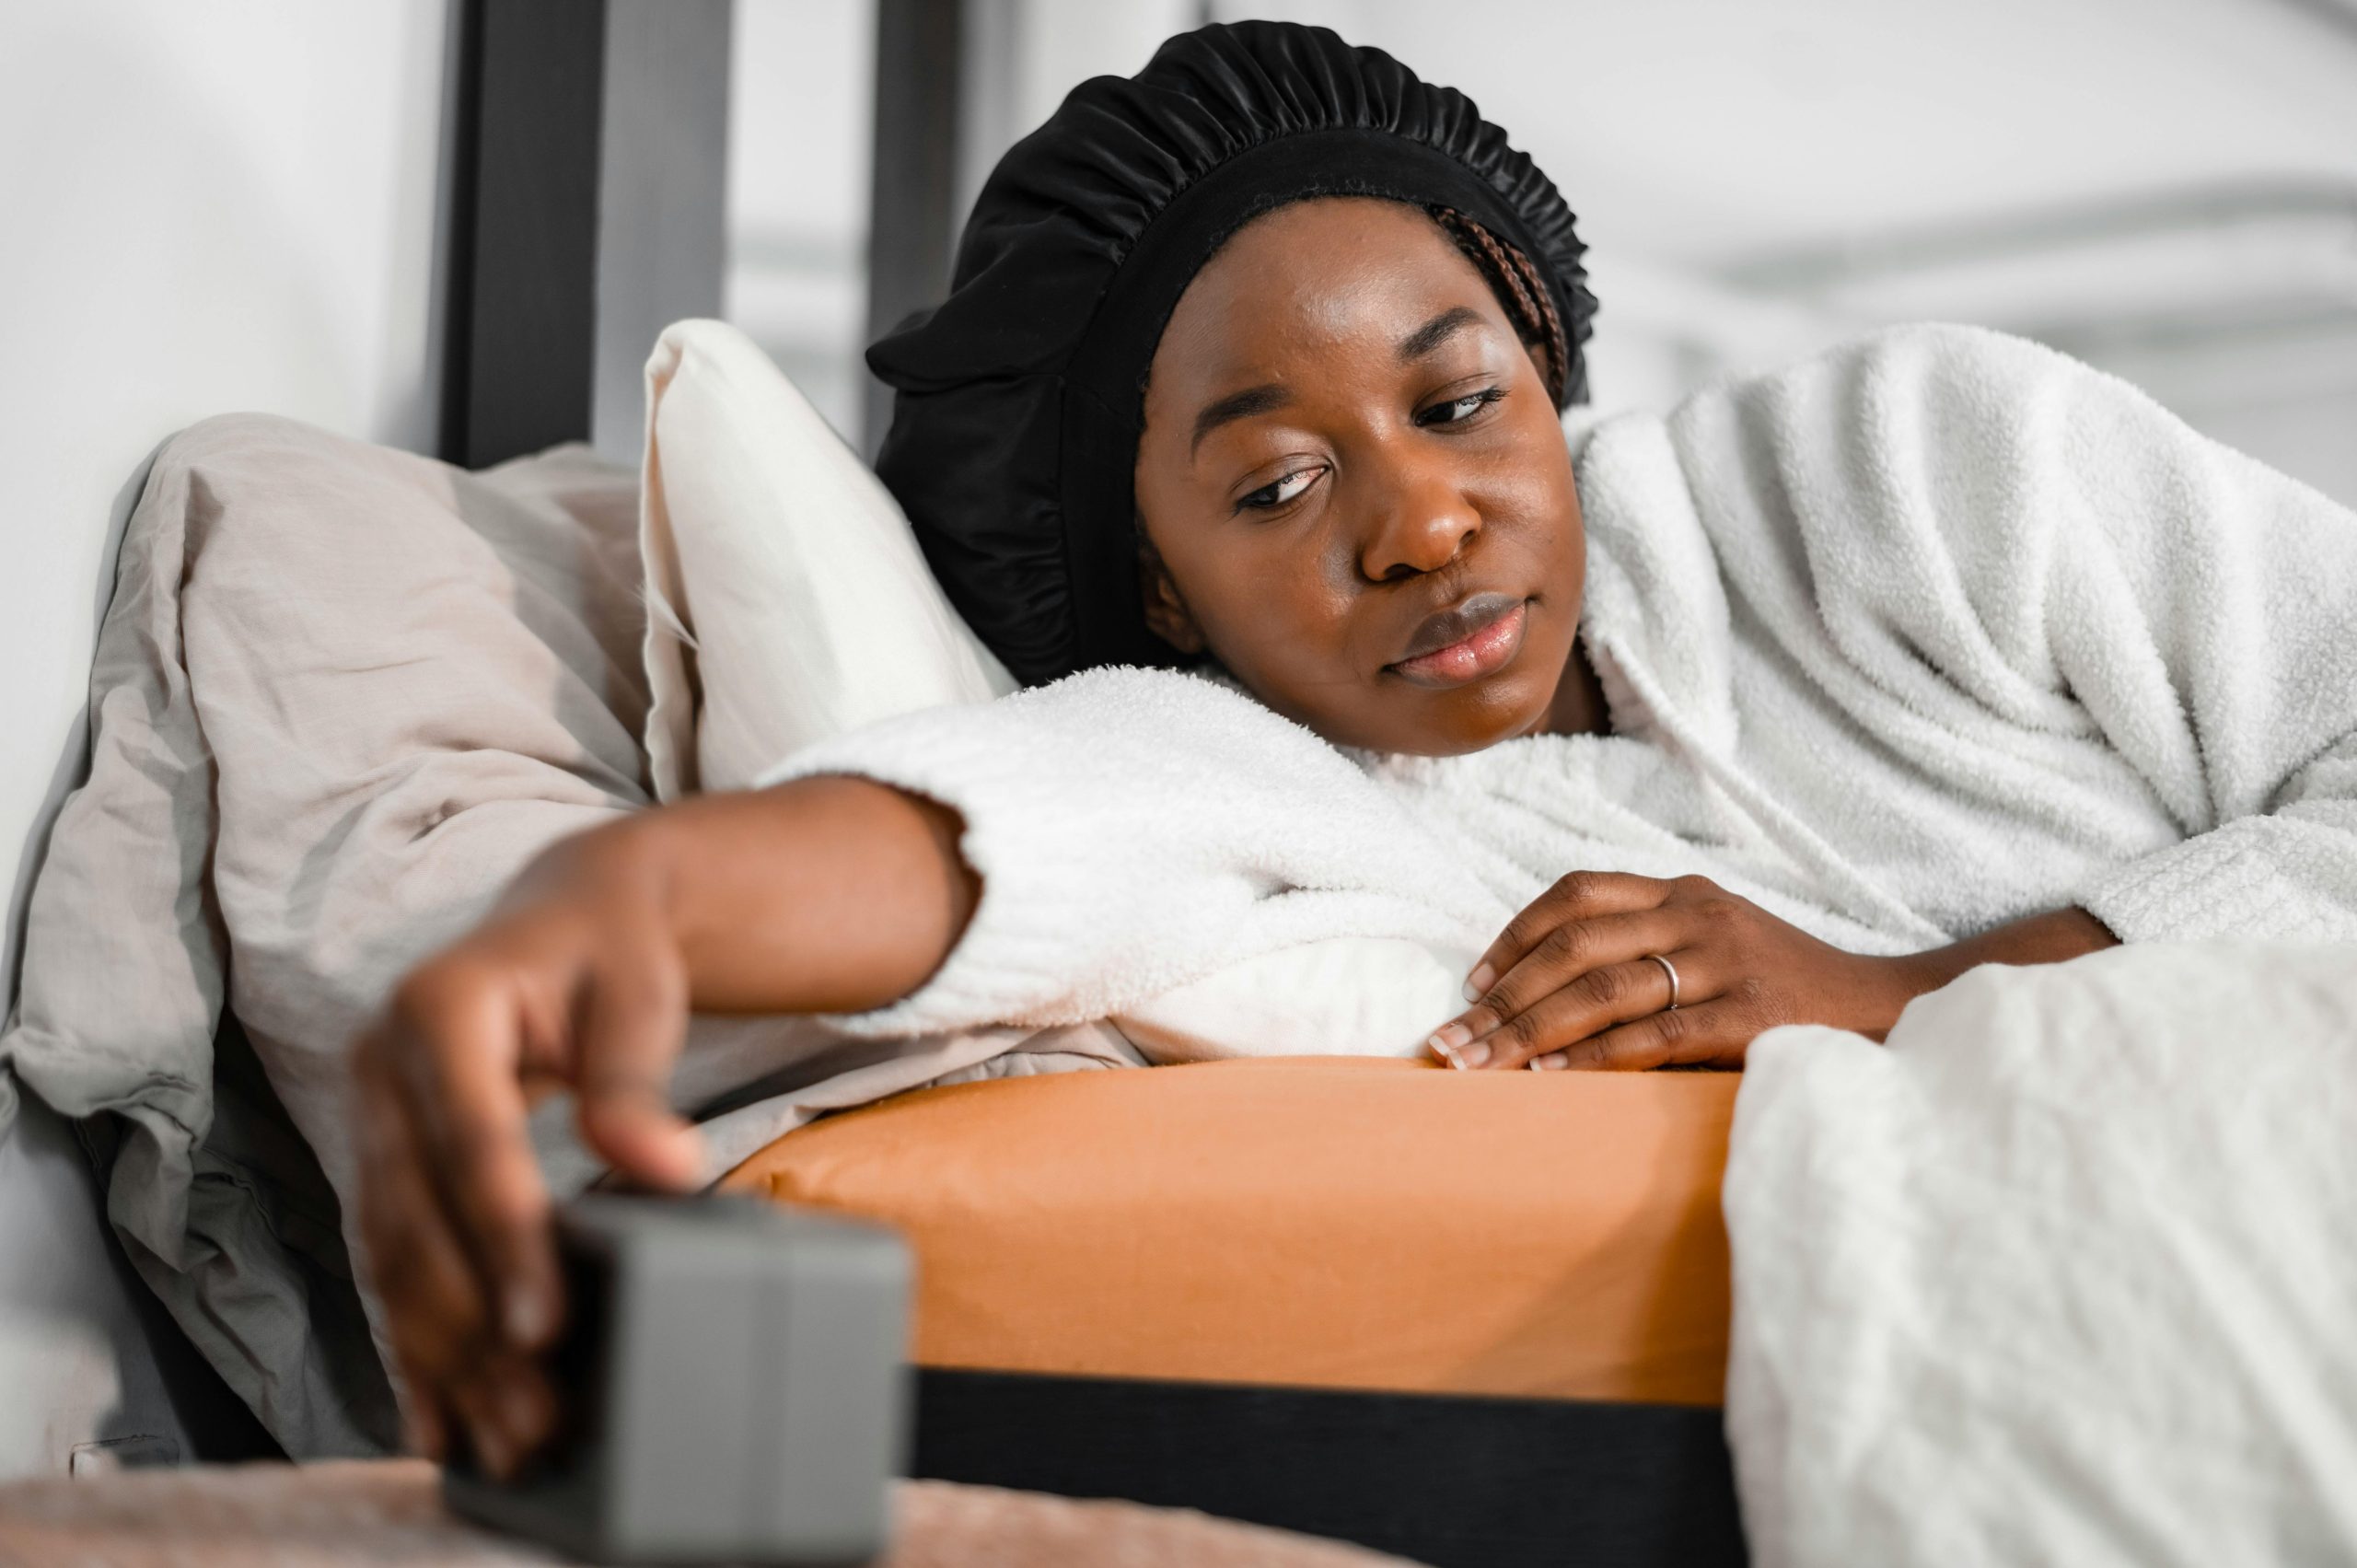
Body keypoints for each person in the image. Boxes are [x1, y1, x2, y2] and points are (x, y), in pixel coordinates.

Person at [351, 22, 2357, 1476]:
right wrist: (607, 904)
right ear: (1153, 594)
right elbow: (1017, 834)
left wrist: (1898, 995)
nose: (1415, 521)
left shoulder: (1923, 464)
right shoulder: (1282, 784)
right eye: (1278, 486)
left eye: (1460, 400)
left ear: (1546, 367)